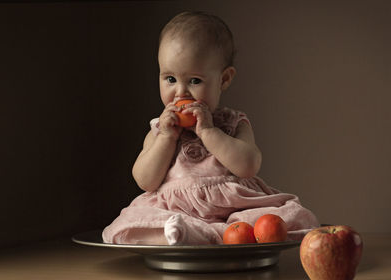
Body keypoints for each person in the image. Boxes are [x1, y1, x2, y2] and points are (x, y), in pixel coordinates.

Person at [102, 11, 320, 245]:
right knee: (131, 222)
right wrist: (166, 138)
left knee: (289, 216)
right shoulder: (160, 129)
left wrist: (209, 132)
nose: (180, 92)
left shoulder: (232, 123)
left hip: (232, 210)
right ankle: (188, 234)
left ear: (224, 79)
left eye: (195, 81)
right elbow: (146, 181)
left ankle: (209, 236)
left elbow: (248, 165)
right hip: (177, 210)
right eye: (170, 79)